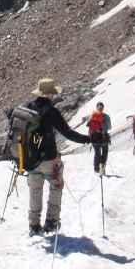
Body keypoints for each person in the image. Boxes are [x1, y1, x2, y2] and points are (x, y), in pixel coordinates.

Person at [23, 78, 92, 235]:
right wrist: (88, 139)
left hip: (31, 160)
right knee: (56, 186)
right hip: (49, 159)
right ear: (49, 94)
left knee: (35, 190)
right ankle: (51, 222)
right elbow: (67, 133)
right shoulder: (50, 111)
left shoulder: (28, 107)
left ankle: (34, 225)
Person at [84, 102, 111, 174]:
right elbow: (109, 127)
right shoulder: (106, 116)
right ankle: (102, 166)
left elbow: (89, 128)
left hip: (94, 138)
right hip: (104, 137)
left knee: (97, 153)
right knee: (105, 152)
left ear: (96, 107)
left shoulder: (92, 116)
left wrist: (90, 137)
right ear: (103, 108)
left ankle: (96, 169)